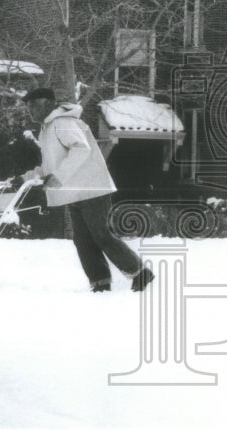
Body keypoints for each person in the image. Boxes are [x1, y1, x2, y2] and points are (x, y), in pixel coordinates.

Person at [20, 88, 154, 293]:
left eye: (33, 105)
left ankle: (139, 272)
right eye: (28, 107)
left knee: (101, 234)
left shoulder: (63, 122)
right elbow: (52, 163)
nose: (30, 111)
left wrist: (59, 177)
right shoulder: (48, 127)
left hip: (92, 187)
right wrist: (30, 176)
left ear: (47, 104)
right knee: (82, 240)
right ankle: (100, 282)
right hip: (76, 191)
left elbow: (81, 148)